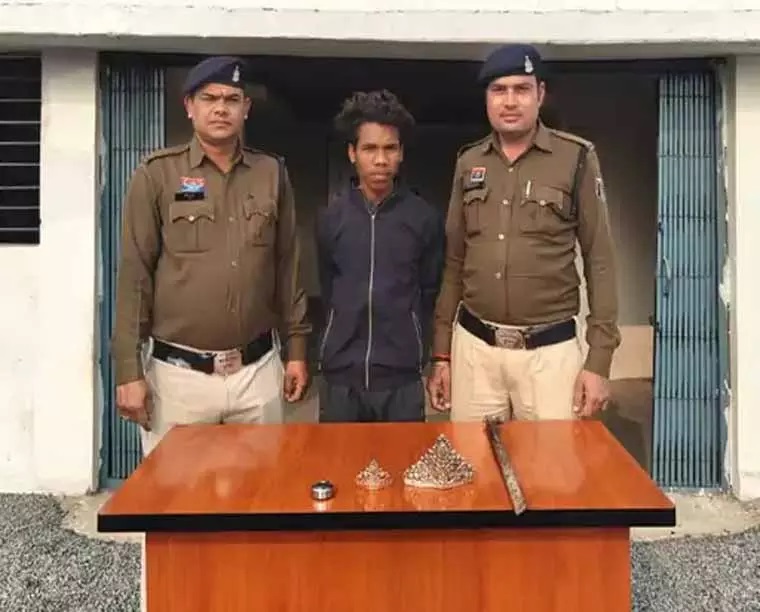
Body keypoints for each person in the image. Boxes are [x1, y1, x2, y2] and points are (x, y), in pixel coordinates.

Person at [111, 55, 311, 457]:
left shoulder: (271, 173)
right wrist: (128, 371)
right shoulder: (157, 175)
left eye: (232, 99)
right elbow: (135, 276)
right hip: (179, 379)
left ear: (246, 108)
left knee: (260, 487)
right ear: (189, 106)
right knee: (176, 490)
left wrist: (297, 352)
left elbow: (288, 266)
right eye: (209, 98)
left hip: (256, 373)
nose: (221, 108)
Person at [427, 44, 620, 422]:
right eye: (499, 90)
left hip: (549, 356)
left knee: (552, 460)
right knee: (473, 457)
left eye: (522, 89)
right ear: (487, 98)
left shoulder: (575, 158)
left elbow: (600, 260)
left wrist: (599, 360)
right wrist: (442, 354)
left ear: (540, 94)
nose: (510, 101)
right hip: (475, 352)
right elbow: (454, 261)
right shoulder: (469, 162)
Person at [315, 89, 445, 422]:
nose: (381, 160)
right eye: (370, 149)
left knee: (404, 457)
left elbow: (429, 291)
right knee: (337, 457)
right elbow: (328, 286)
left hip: (401, 380)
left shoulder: (423, 218)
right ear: (352, 153)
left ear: (401, 153)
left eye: (390, 149)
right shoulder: (331, 218)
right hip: (341, 379)